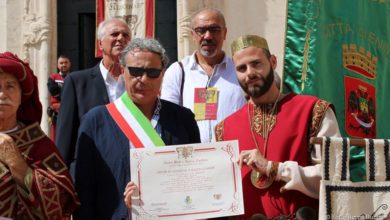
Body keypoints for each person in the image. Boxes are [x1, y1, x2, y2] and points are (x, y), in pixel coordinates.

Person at [214, 35, 341, 219]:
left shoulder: (314, 111)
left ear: (273, 62)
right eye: (242, 68)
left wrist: (276, 169)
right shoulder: (223, 129)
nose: (249, 72)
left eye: (256, 63)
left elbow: (335, 177)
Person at [73, 38, 200, 220]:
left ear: (162, 74)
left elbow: (194, 178)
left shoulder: (183, 119)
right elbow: (84, 190)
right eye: (136, 71)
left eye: (153, 72)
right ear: (122, 71)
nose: (144, 79)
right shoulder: (95, 121)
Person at [0, 52, 80, 219]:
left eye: (10, 86)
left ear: (21, 96)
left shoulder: (39, 145)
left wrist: (17, 164)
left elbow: (62, 201)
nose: (2, 95)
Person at [55, 18, 131, 170]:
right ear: (100, 44)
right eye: (115, 34)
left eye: (126, 35)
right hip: (90, 173)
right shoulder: (76, 82)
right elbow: (65, 137)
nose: (121, 38)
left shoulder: (138, 82)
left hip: (131, 172)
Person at [161, 8, 246, 143]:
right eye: (201, 30)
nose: (208, 36)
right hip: (193, 158)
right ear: (193, 35)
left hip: (234, 156)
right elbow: (168, 118)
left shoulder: (241, 70)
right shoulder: (178, 71)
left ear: (225, 33)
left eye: (214, 29)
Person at [47, 54, 72, 141]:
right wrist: (68, 95)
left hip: (70, 111)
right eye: (61, 63)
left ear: (70, 64)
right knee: (56, 137)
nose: (64, 65)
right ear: (57, 65)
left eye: (66, 62)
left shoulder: (74, 77)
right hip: (57, 112)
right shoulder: (53, 77)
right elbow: (53, 90)